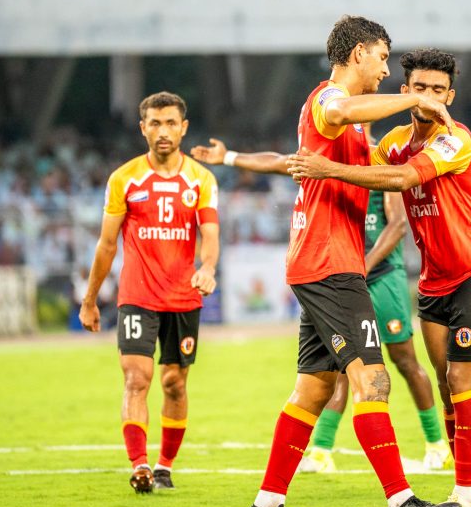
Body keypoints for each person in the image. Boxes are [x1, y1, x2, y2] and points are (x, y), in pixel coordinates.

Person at [236, 16, 461, 507]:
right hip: (330, 263)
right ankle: (401, 501)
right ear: (359, 52)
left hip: (323, 261)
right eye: (383, 57)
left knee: (314, 388)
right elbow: (340, 108)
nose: (387, 68)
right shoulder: (328, 100)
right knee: (373, 379)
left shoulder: (356, 120)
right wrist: (416, 100)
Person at [288, 47, 471, 507]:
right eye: (420, 88)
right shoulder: (393, 140)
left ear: (451, 95)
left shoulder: (457, 139)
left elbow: (402, 178)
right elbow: (361, 163)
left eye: (438, 89)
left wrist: (328, 169)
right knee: (448, 387)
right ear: (405, 92)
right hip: (432, 282)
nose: (429, 96)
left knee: (461, 381)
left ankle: (470, 494)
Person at [191, 128, 452, 474]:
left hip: (381, 275)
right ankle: (322, 451)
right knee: (340, 366)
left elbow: (398, 226)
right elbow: (280, 162)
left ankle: (436, 445)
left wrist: (366, 264)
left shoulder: (378, 159)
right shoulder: (322, 159)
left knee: (404, 360)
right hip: (340, 277)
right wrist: (228, 157)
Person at [79, 91, 220, 495]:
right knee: (136, 378)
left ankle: (164, 466)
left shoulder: (201, 180)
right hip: (137, 295)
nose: (163, 131)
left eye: (171, 123)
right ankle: (139, 465)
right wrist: (90, 300)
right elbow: (107, 245)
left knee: (174, 383)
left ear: (184, 128)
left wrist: (207, 268)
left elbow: (210, 234)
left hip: (183, 297)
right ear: (143, 128)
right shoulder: (123, 179)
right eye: (155, 123)